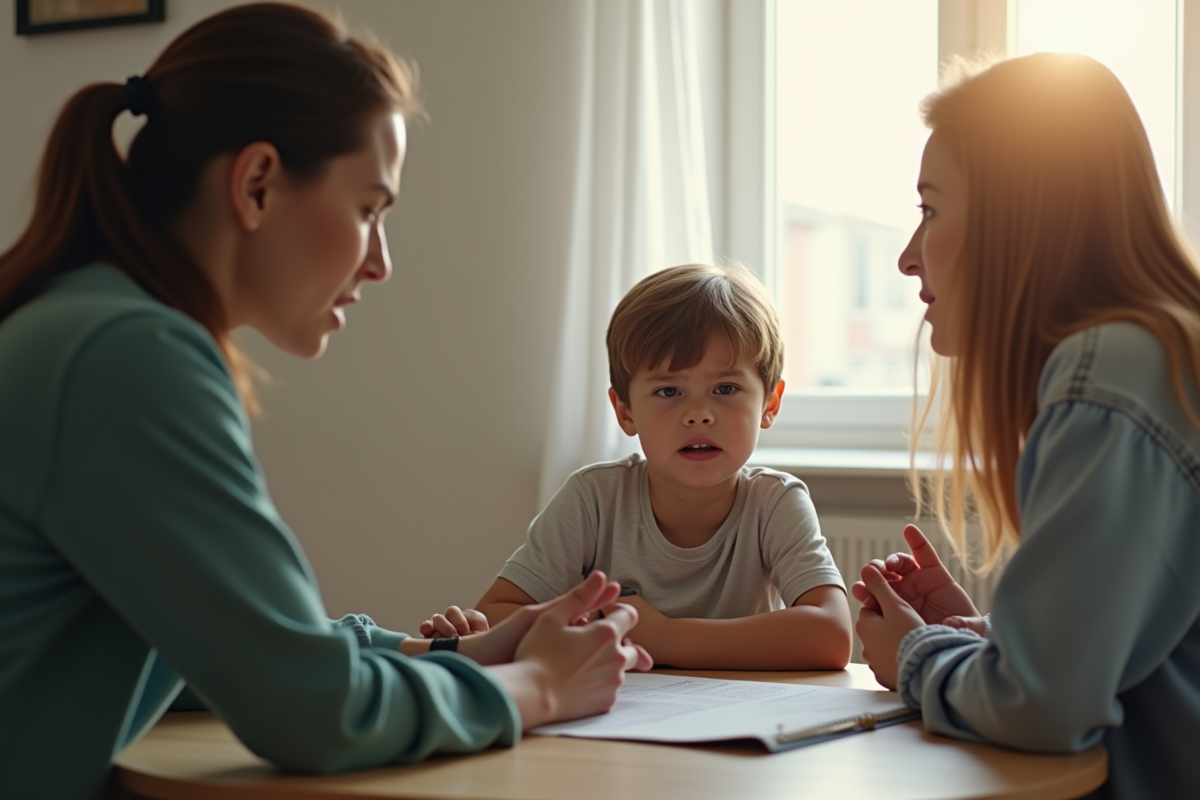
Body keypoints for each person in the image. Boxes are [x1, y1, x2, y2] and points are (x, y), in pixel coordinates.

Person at [0, 5, 651, 799]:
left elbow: (232, 650)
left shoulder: (92, 328)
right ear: (258, 183)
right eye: (369, 209)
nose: (380, 262)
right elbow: (311, 712)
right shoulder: (126, 358)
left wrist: (453, 655)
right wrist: (539, 689)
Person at [852, 53, 1200, 800]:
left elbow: (1042, 708)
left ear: (1019, 218)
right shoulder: (1151, 357)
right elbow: (1120, 661)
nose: (910, 258)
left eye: (931, 210)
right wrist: (986, 636)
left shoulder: (1107, 378)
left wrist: (915, 653)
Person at [425, 264, 852, 671]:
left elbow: (832, 636)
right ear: (625, 411)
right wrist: (487, 634)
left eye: (726, 388)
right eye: (669, 390)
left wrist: (665, 637)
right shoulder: (593, 498)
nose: (699, 413)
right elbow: (497, 612)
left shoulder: (775, 503)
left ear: (769, 404)